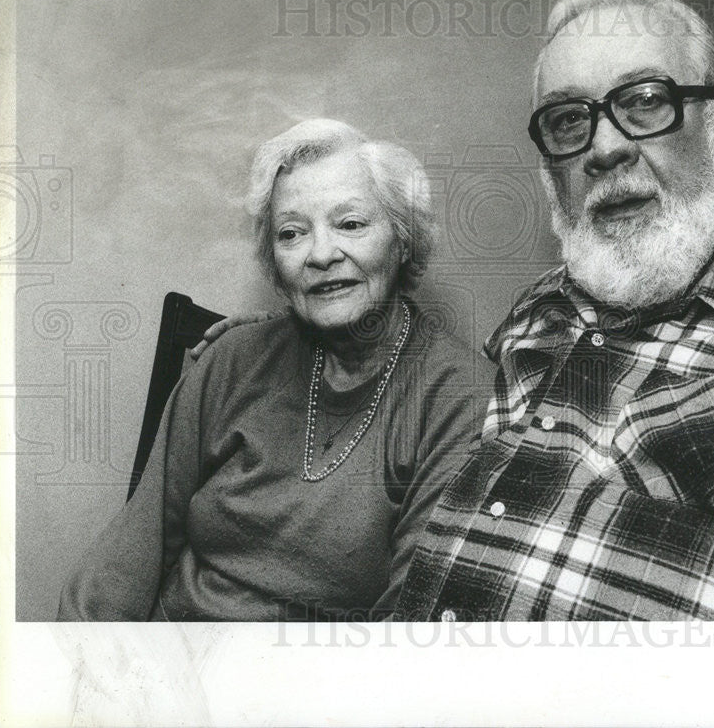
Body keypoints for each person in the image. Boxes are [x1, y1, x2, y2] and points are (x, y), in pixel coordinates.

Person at [199, 0, 714, 621]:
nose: (604, 147)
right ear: (550, 167)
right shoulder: (540, 312)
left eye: (644, 101)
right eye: (570, 120)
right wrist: (275, 343)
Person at [58, 118, 488, 621]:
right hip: (164, 660)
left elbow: (406, 628)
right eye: (292, 233)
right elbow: (133, 548)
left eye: (350, 224)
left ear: (403, 241)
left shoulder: (461, 399)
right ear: (275, 264)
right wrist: (83, 664)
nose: (322, 254)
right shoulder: (231, 358)